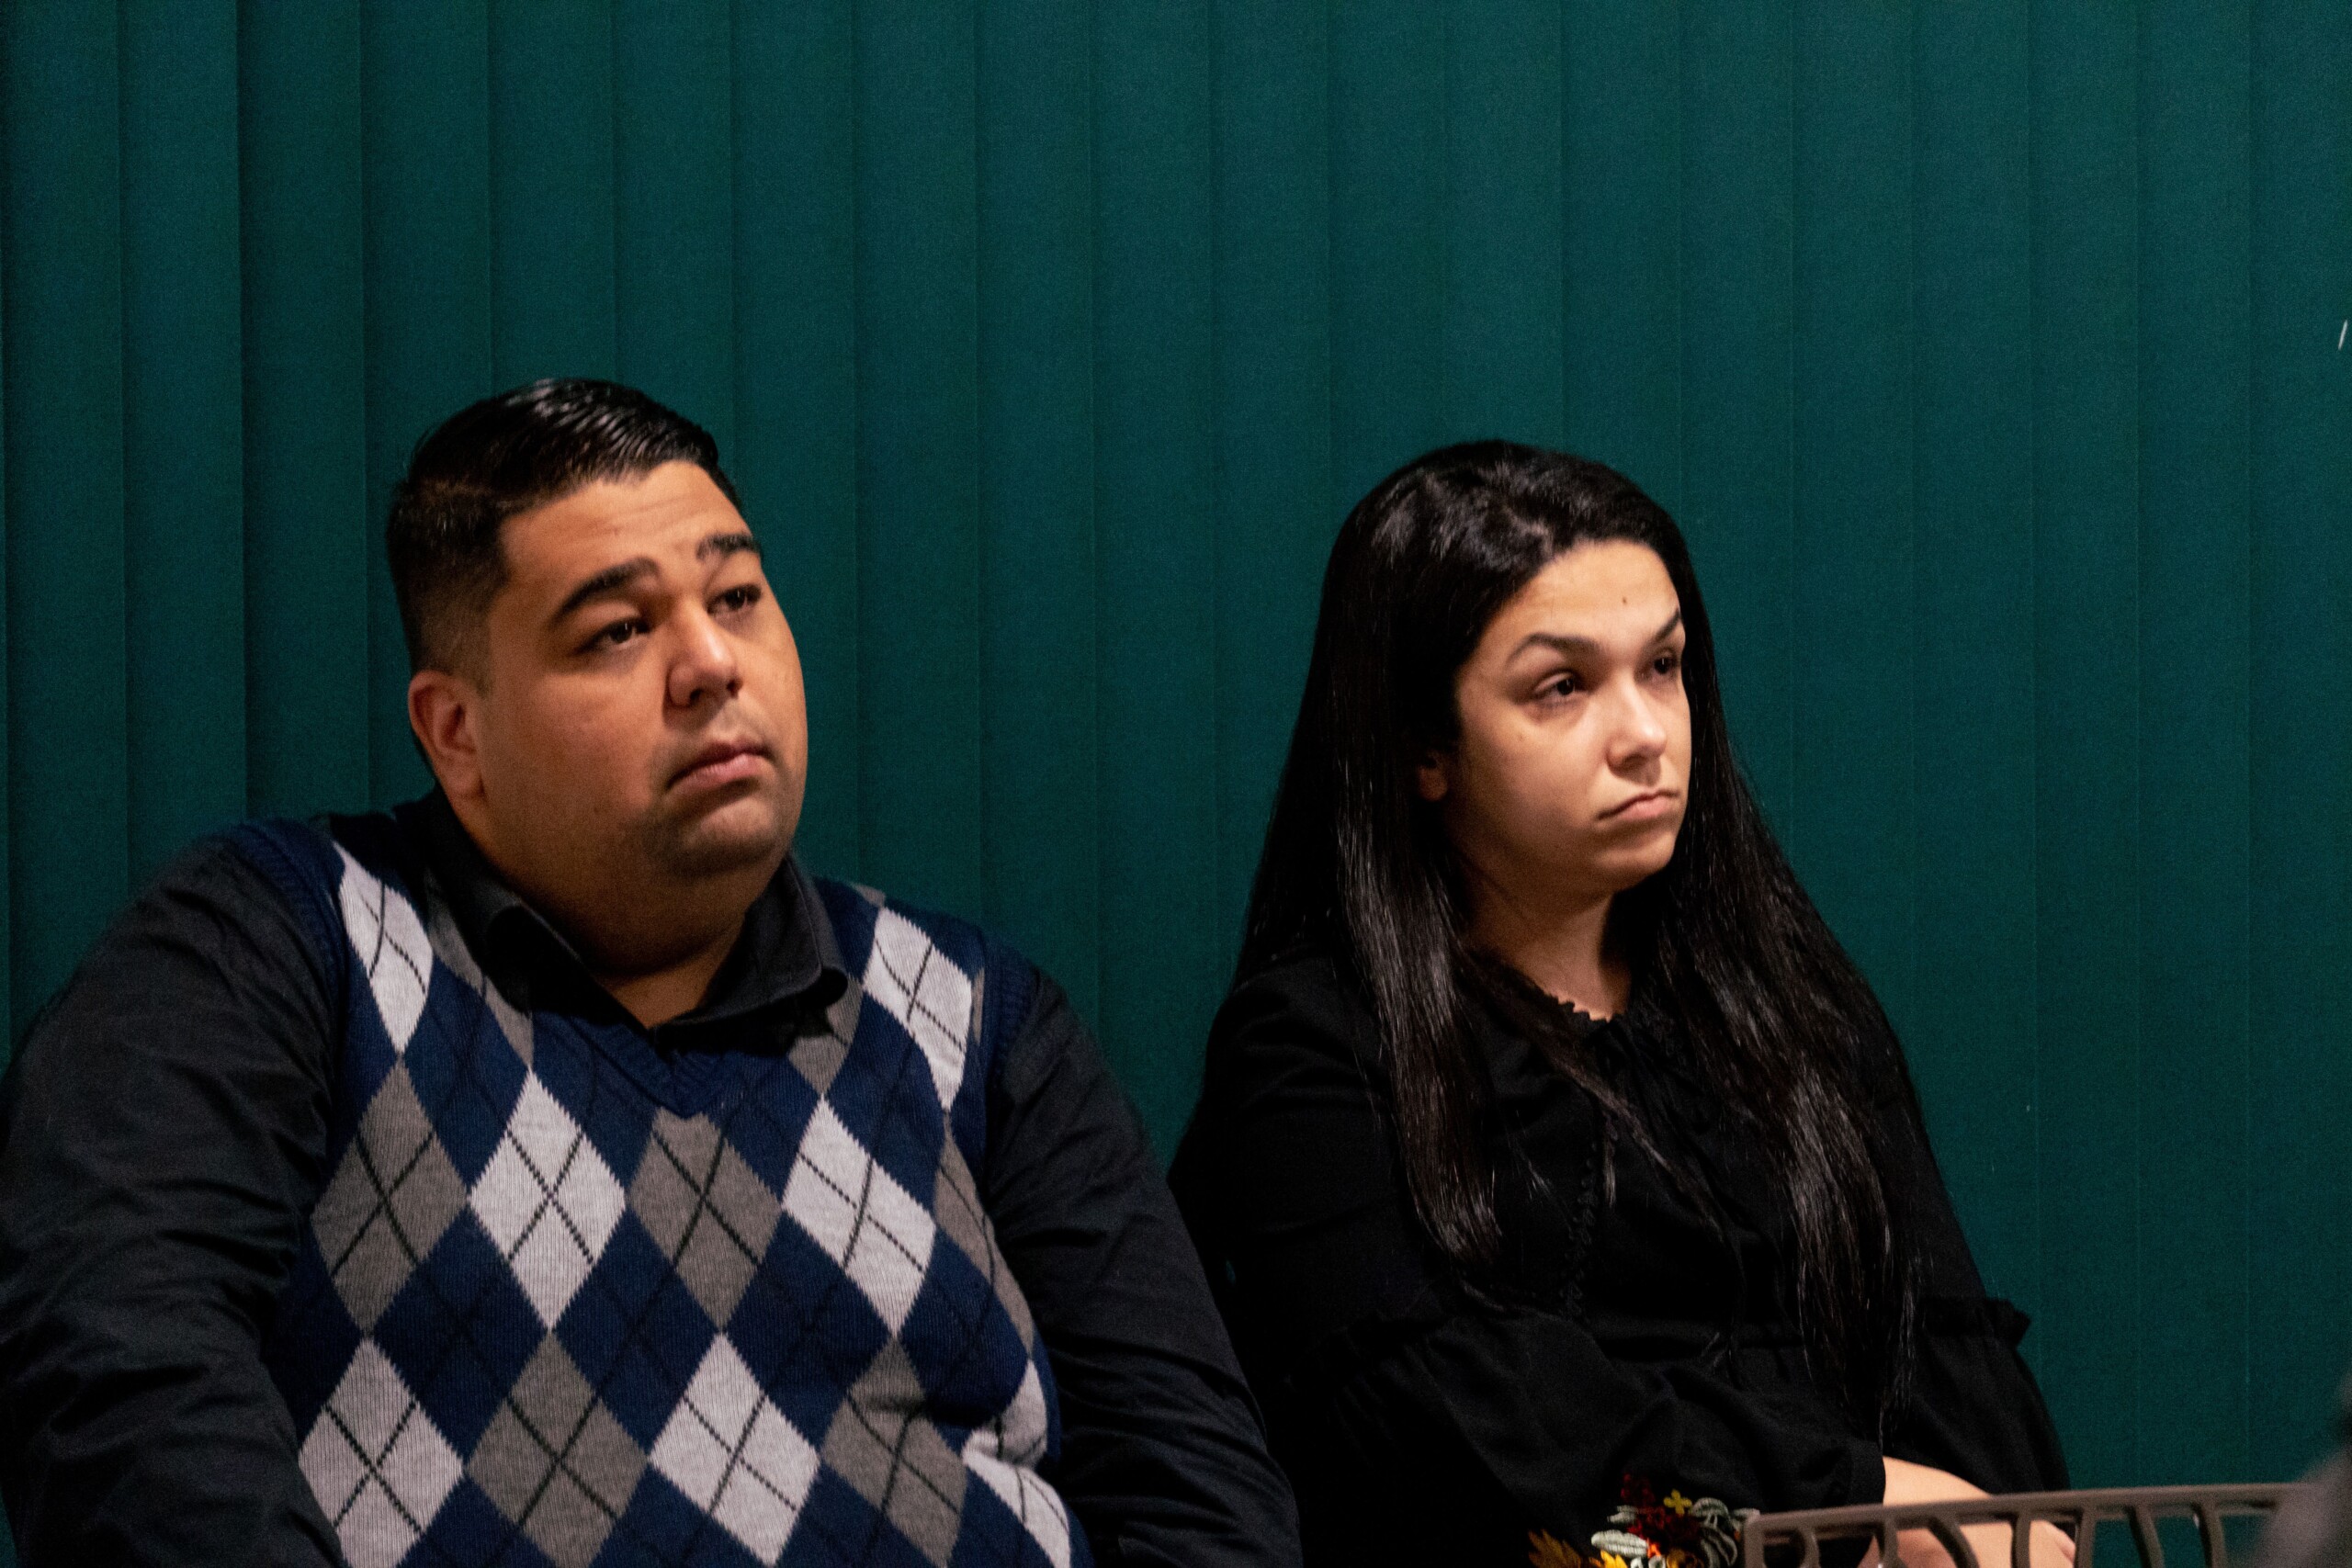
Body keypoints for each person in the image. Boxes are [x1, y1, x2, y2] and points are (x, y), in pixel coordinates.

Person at [0, 379, 1299, 1566]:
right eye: (618, 630)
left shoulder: (973, 1012)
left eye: (736, 599)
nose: (712, 665)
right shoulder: (279, 940)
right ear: (457, 732)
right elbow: (114, 1365)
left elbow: (1199, 1490)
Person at [1170, 443, 2068, 1567]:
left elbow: (1952, 1371)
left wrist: (1988, 1531)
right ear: (1422, 748)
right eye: (1562, 687)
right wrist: (1837, 1517)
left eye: (1664, 666)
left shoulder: (1793, 1017)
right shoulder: (1315, 1049)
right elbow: (1456, 1445)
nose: (1646, 734)